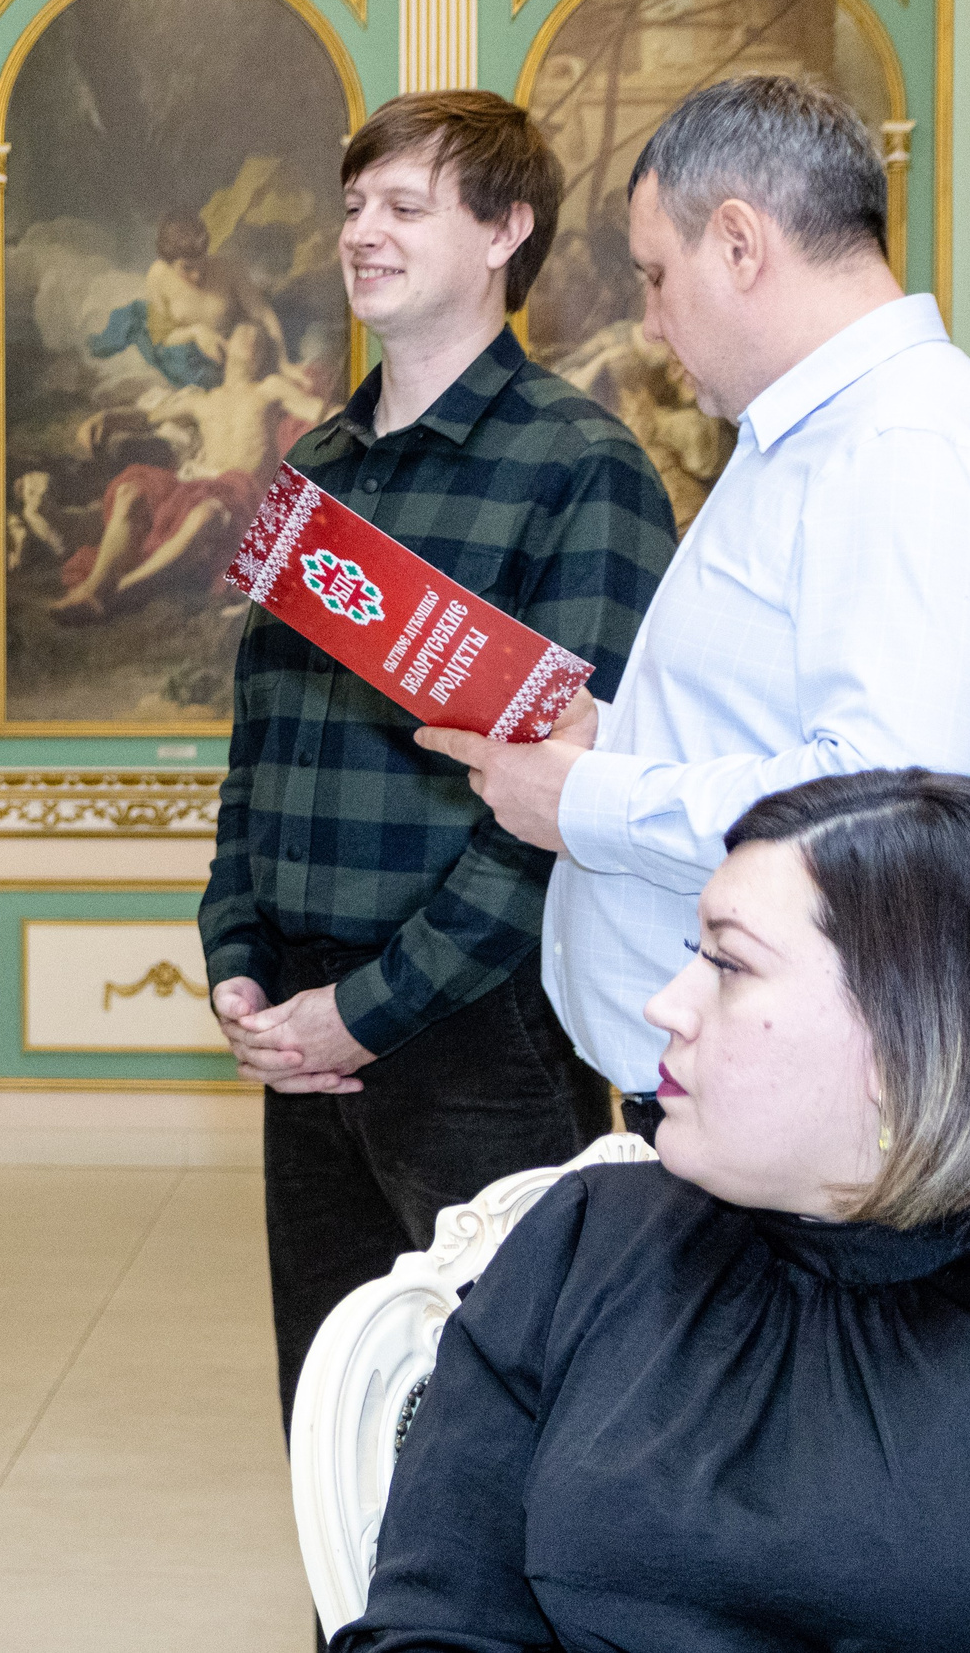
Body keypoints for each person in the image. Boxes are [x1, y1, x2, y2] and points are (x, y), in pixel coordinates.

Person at [334, 769, 970, 1651]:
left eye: (729, 964)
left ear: (917, 1037)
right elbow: (433, 1626)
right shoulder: (586, 1239)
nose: (666, 1004)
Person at [418, 76, 970, 1144]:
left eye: (654, 276)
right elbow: (780, 730)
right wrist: (609, 744)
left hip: (828, 1111)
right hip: (756, 1100)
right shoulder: (818, 438)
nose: (647, 322)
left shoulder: (906, 444)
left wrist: (589, 800)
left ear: (738, 243)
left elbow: (890, 802)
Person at [198, 89, 675, 1437]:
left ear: (505, 232)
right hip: (305, 1034)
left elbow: (557, 804)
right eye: (354, 205)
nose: (362, 233)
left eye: (404, 207)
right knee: (336, 1430)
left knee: (499, 1436)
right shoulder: (321, 470)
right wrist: (237, 948)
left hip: (481, 1038)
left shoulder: (579, 469)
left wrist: (374, 1004)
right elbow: (263, 741)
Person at [52, 321, 327, 620]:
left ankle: (120, 592)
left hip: (238, 492)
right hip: (195, 485)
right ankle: (93, 586)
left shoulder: (270, 388)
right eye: (243, 333)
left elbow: (317, 409)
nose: (252, 339)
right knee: (130, 491)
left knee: (206, 513)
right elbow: (148, 417)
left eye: (260, 339)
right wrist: (109, 417)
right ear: (223, 346)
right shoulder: (201, 400)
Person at [90, 208, 292, 389]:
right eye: (187, 268)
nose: (197, 274)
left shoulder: (230, 269)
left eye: (201, 262)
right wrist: (197, 332)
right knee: (138, 330)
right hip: (183, 352)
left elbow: (263, 314)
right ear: (169, 263)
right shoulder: (158, 275)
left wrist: (284, 363)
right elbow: (162, 339)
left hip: (225, 353)